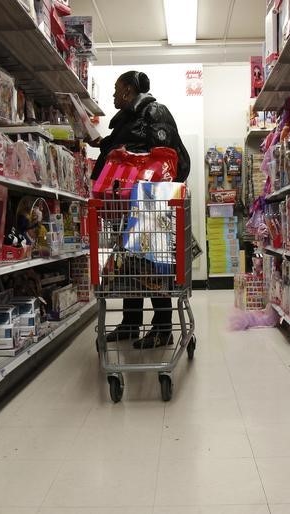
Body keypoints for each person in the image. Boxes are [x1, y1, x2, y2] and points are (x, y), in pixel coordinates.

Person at [90, 70, 190, 349]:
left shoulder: (155, 111)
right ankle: (130, 324)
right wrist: (103, 144)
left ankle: (162, 328)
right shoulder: (127, 118)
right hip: (126, 202)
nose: (112, 95)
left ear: (128, 91)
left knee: (152, 265)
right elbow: (124, 147)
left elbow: (165, 158)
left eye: (116, 89)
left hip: (151, 204)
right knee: (128, 265)